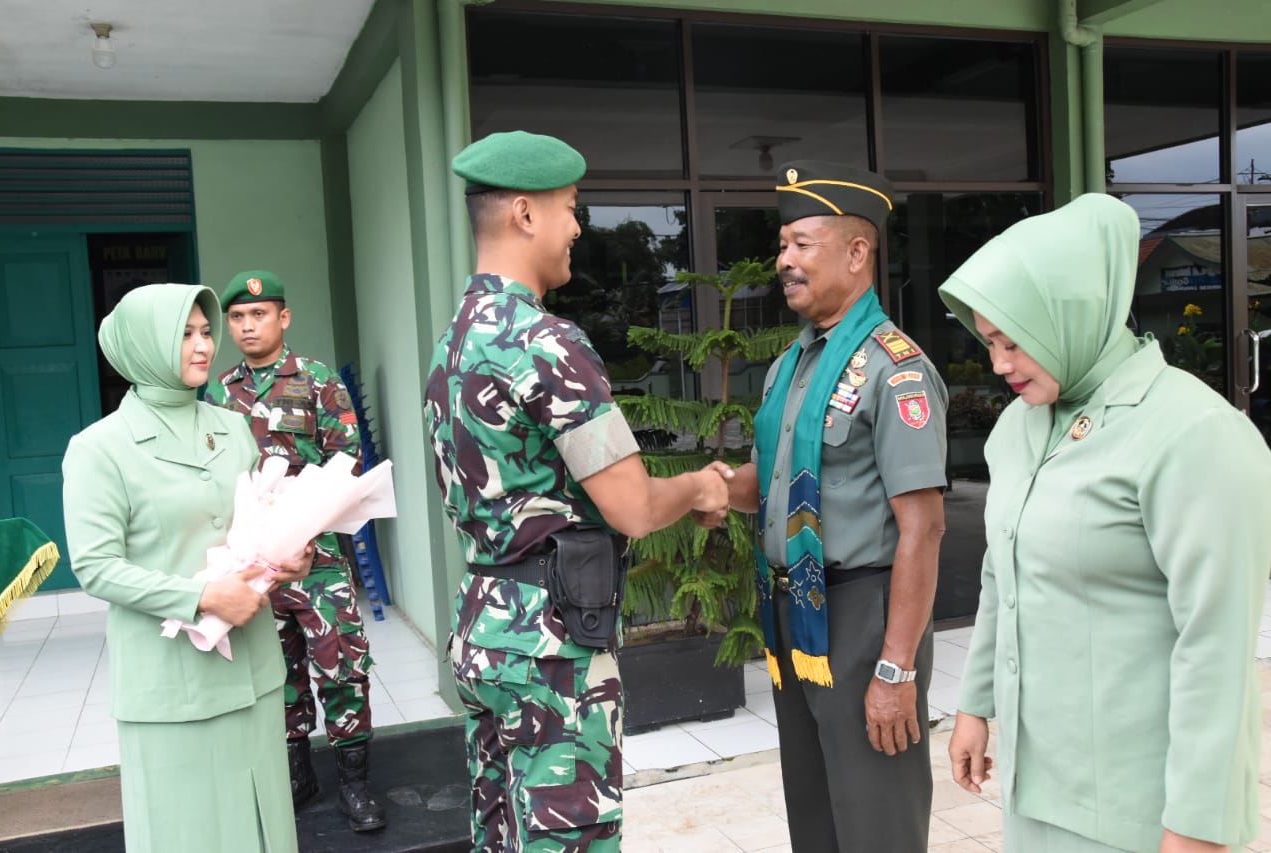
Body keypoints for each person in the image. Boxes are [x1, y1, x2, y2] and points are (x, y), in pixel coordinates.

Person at [422, 130, 731, 852]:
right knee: (571, 837)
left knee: (502, 833)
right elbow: (631, 505)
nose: (577, 227)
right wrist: (696, 487)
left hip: (484, 629)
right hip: (550, 643)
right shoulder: (546, 343)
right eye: (570, 208)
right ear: (525, 214)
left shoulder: (454, 341)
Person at [941, 193, 1271, 852]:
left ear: (1074, 316)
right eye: (989, 340)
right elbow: (998, 575)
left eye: (1014, 340)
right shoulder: (1019, 427)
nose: (998, 362)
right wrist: (975, 704)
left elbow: (1216, 644)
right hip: (1038, 785)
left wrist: (1197, 825)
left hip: (1141, 807)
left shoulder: (1194, 434)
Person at [712, 161, 948, 852]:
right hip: (797, 617)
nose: (784, 260)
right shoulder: (793, 365)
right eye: (781, 245)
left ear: (856, 251)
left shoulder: (895, 369)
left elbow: (925, 528)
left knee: (876, 818)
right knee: (814, 813)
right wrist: (709, 491)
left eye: (801, 243)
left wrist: (896, 667)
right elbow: (773, 481)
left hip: (865, 616)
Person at [61, 283, 308, 852]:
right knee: (189, 833)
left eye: (204, 332)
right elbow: (96, 566)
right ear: (144, 345)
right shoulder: (100, 448)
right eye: (184, 335)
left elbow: (255, 528)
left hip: (252, 672)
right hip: (172, 683)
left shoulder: (232, 428)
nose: (203, 346)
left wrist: (291, 556)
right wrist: (200, 599)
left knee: (264, 827)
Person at [204, 270, 385, 833]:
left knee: (342, 664)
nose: (247, 325)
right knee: (277, 670)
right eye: (237, 317)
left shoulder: (317, 381)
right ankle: (297, 776)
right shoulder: (220, 393)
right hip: (253, 558)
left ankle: (355, 786)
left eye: (259, 314)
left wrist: (303, 531)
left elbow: (346, 463)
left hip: (317, 555)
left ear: (282, 318)